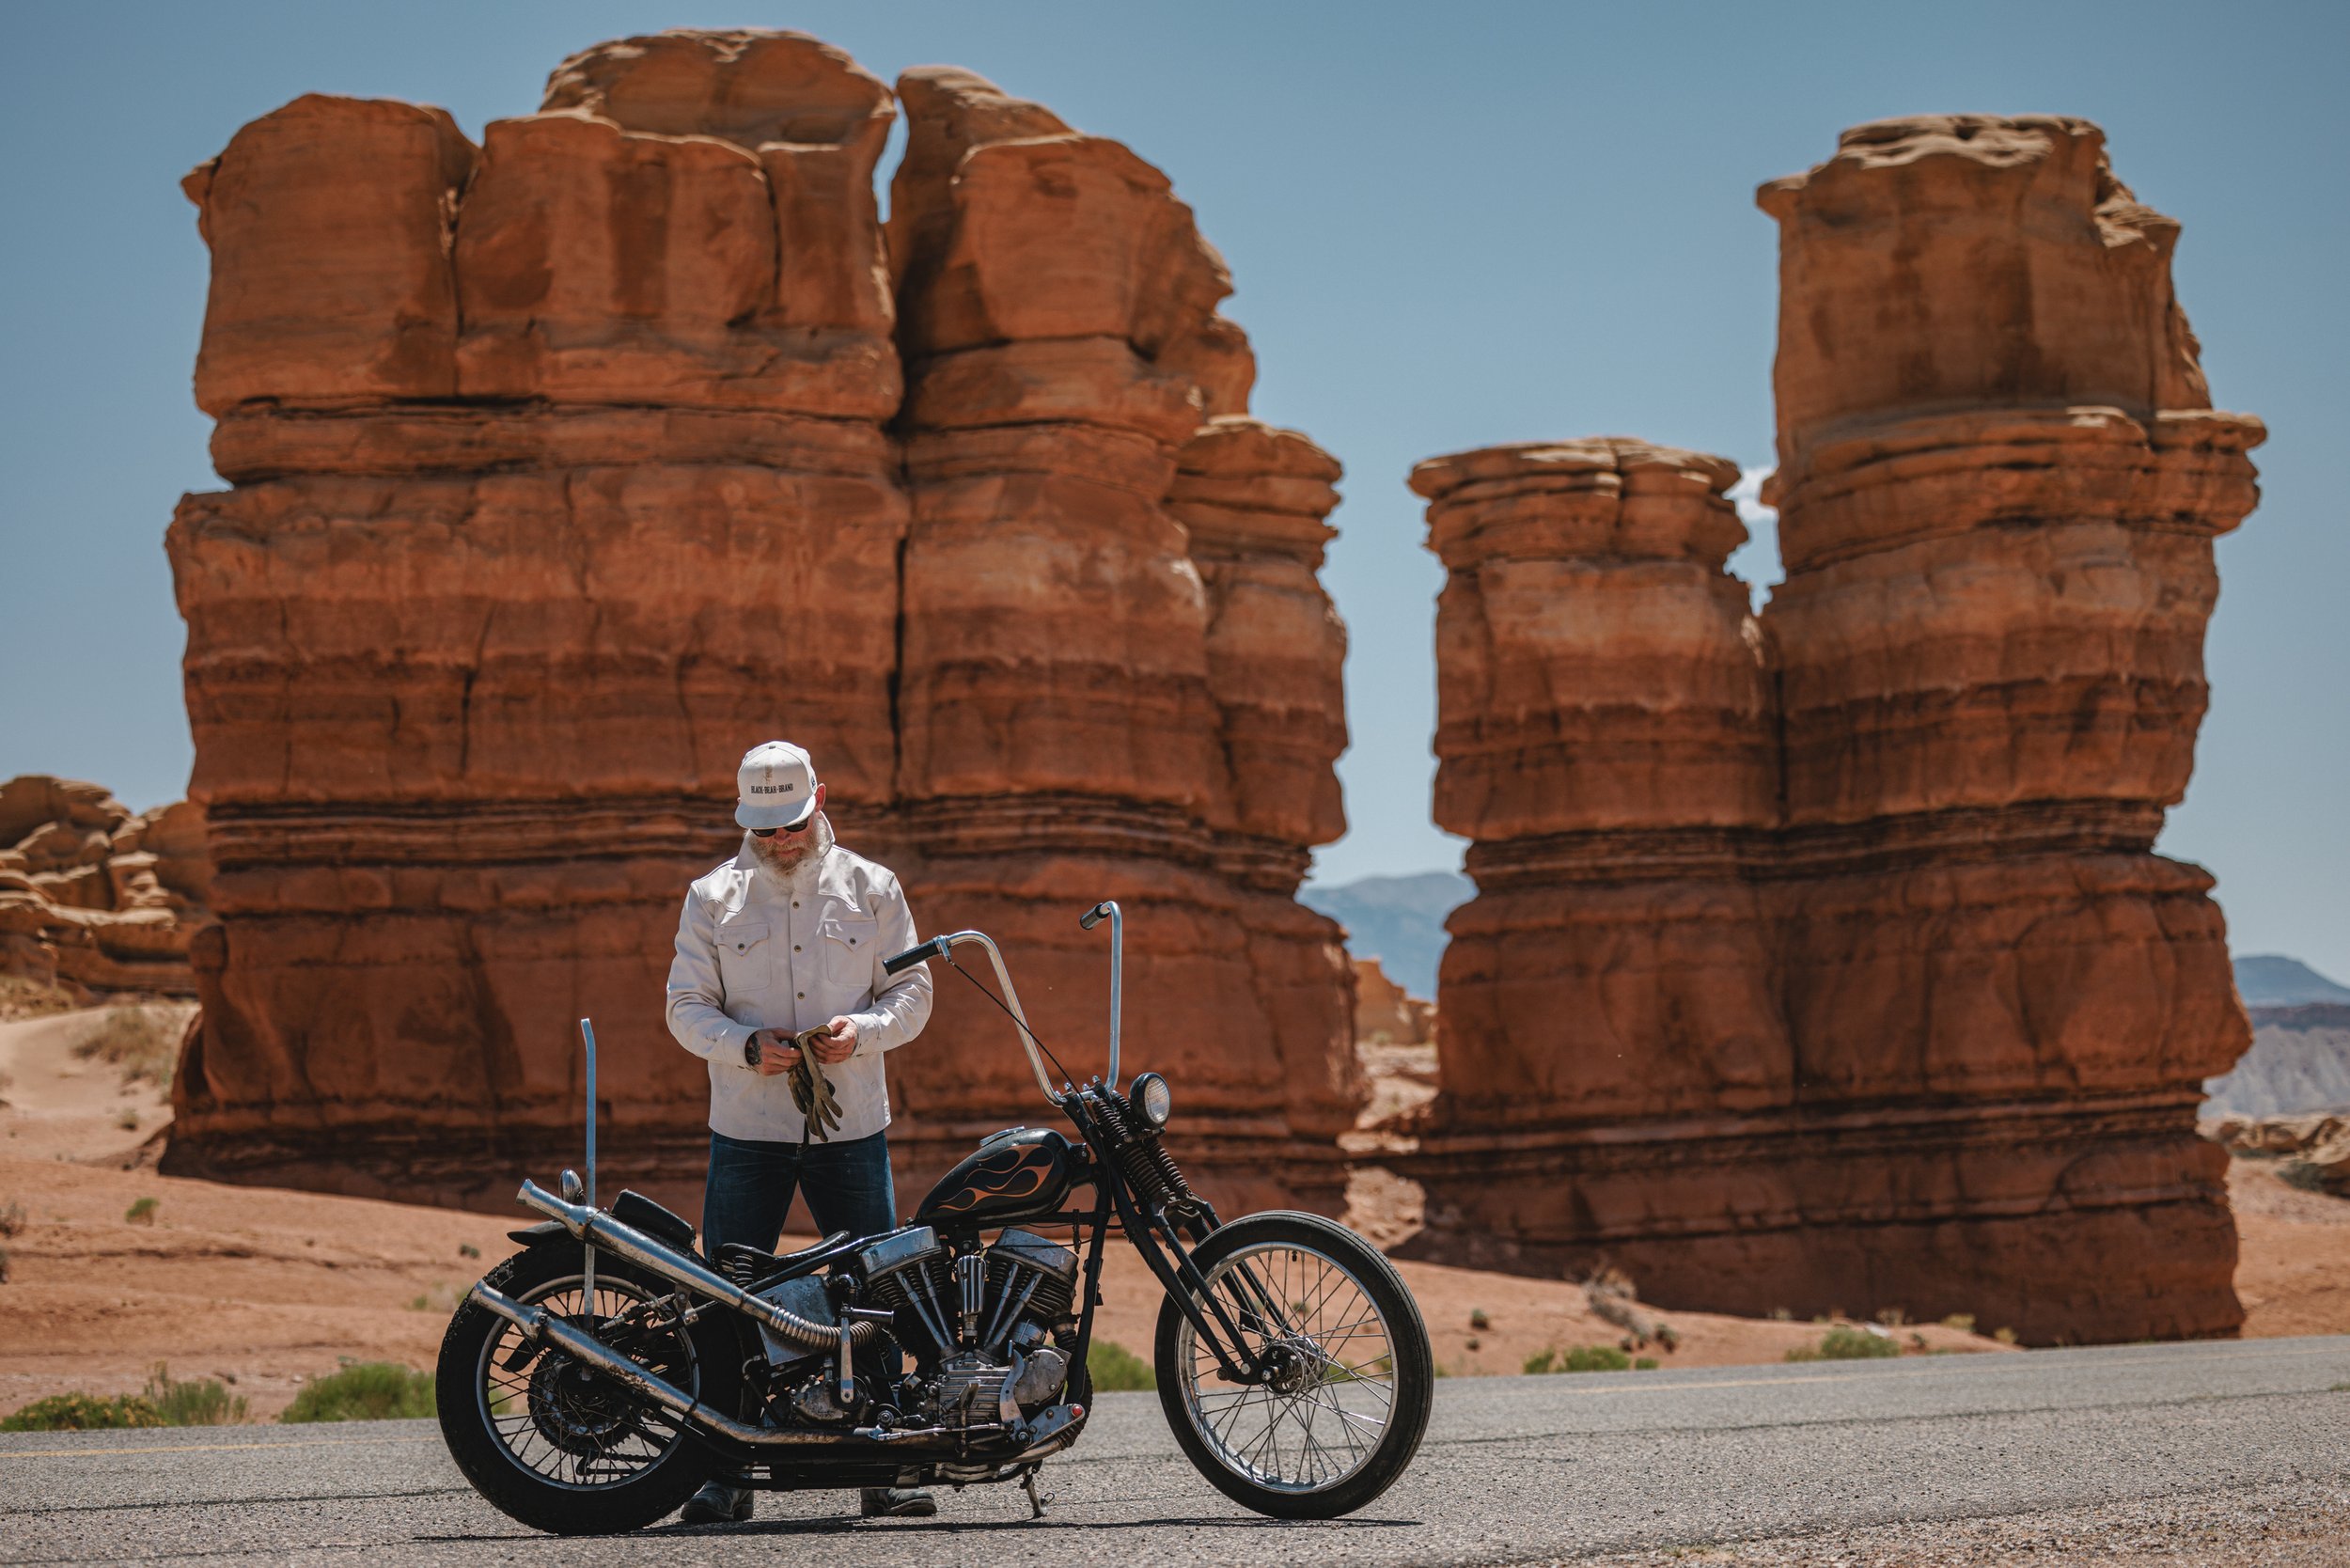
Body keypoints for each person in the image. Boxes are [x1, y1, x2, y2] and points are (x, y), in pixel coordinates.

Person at [665, 739, 936, 1524]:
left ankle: (884, 1466)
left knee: (874, 1291)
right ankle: (727, 1473)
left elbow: (912, 991)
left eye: (792, 825)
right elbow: (685, 1006)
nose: (781, 841)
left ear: (822, 801)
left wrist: (866, 1031)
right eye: (766, 830)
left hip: (850, 1125)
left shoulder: (873, 888)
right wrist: (745, 1047)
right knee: (730, 1297)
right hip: (748, 1127)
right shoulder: (711, 897)